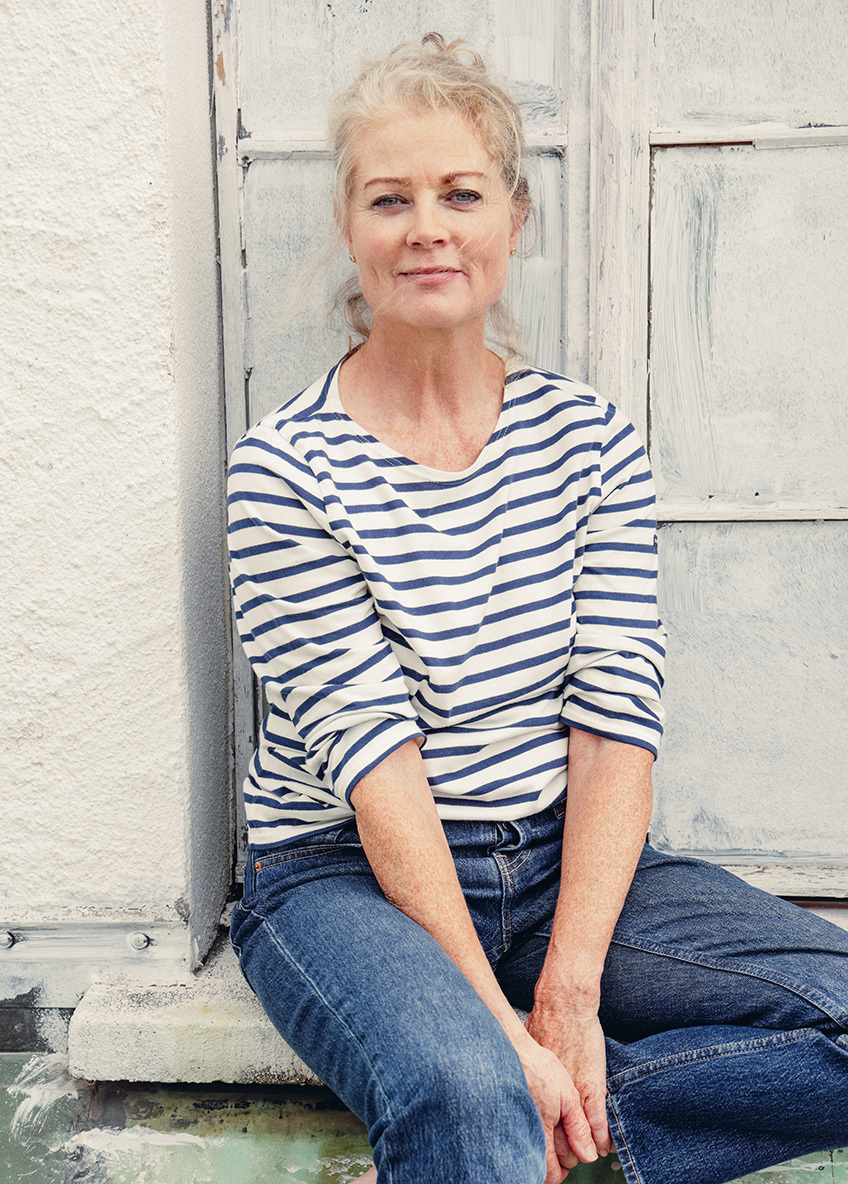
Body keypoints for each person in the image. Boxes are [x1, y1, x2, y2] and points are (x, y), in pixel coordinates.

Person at [227, 33, 848, 1184]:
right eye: (389, 198)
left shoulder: (588, 441)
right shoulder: (285, 471)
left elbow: (615, 722)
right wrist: (491, 1034)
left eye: (460, 194)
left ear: (513, 219)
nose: (427, 227)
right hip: (345, 873)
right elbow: (377, 768)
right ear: (349, 229)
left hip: (562, 859)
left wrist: (564, 1000)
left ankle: (578, 1122)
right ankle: (489, 1120)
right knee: (467, 1092)